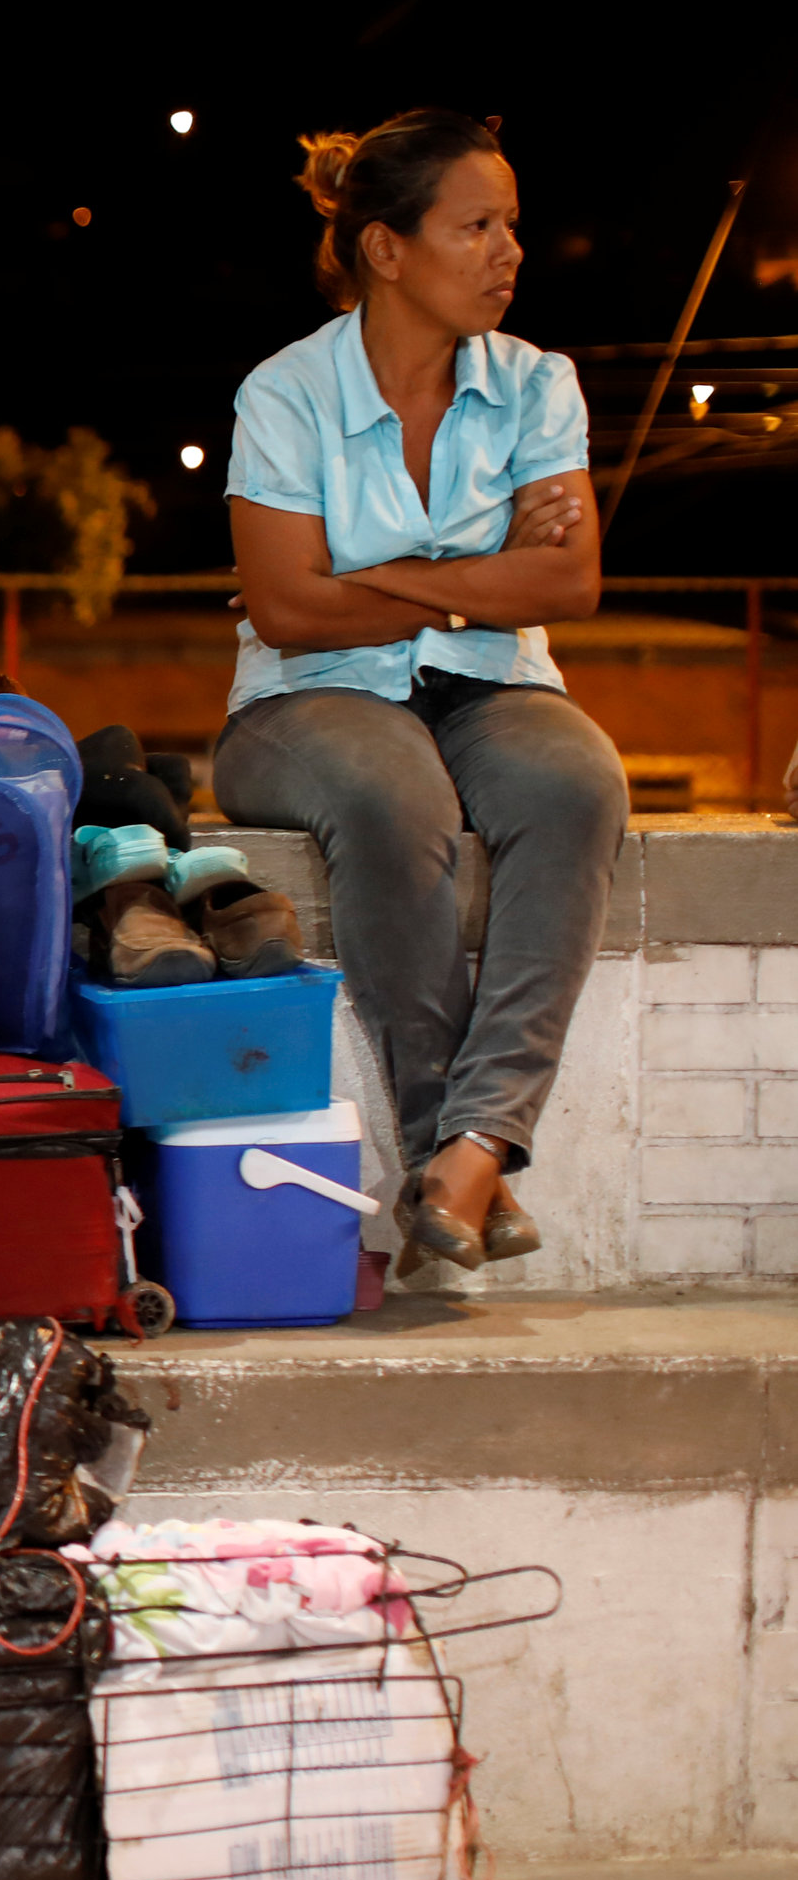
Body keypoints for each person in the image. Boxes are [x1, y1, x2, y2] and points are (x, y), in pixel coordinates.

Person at [213, 110, 617, 1274]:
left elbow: (571, 580)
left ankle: (475, 1143)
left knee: (577, 781)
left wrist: (372, 573)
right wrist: (478, 571)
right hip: (304, 698)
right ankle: (460, 1148)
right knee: (396, 800)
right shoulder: (283, 394)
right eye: (474, 226)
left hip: (492, 683)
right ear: (385, 249)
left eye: (510, 226)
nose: (507, 252)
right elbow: (287, 613)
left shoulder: (538, 384)